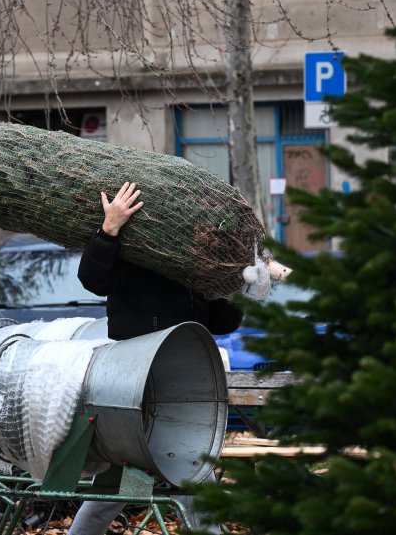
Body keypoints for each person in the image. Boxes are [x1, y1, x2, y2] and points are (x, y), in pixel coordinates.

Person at [70, 181, 241, 535]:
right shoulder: (137, 262)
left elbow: (222, 321)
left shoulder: (192, 275)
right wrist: (109, 230)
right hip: (133, 391)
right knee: (119, 486)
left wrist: (238, 283)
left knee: (191, 477)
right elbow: (92, 277)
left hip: (177, 395)